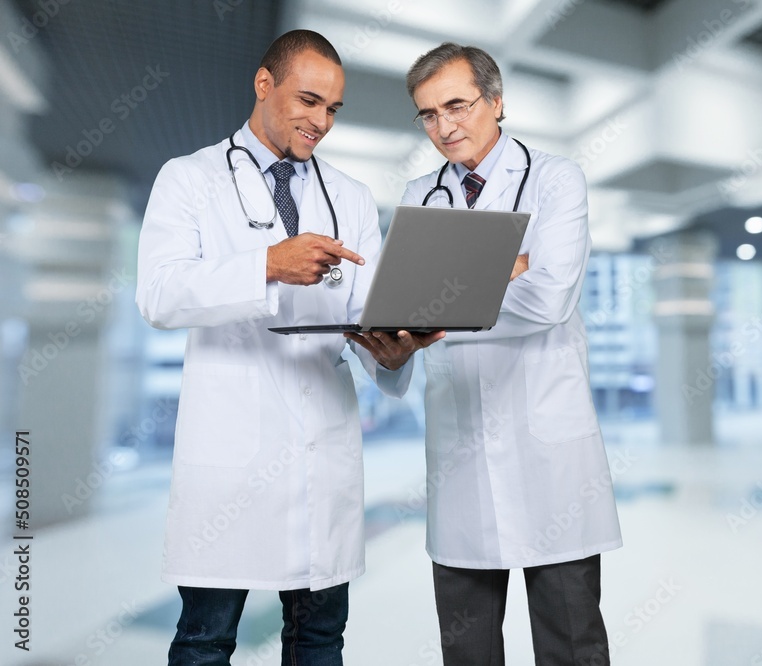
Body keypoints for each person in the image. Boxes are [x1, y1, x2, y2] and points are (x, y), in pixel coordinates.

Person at [136, 30, 441, 666]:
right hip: (231, 451)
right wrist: (266, 265)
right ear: (263, 84)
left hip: (320, 451)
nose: (320, 122)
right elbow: (159, 295)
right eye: (308, 101)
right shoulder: (189, 178)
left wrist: (393, 350)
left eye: (332, 109)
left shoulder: (351, 197)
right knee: (205, 640)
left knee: (319, 639)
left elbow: (363, 316)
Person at [394, 42, 623, 665]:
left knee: (571, 643)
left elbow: (548, 297)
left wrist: (446, 296)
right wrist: (507, 265)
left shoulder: (554, 178)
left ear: (496, 102)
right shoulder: (420, 193)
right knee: (466, 651)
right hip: (459, 453)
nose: (444, 127)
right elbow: (408, 309)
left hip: (548, 449)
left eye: (457, 106)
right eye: (429, 114)